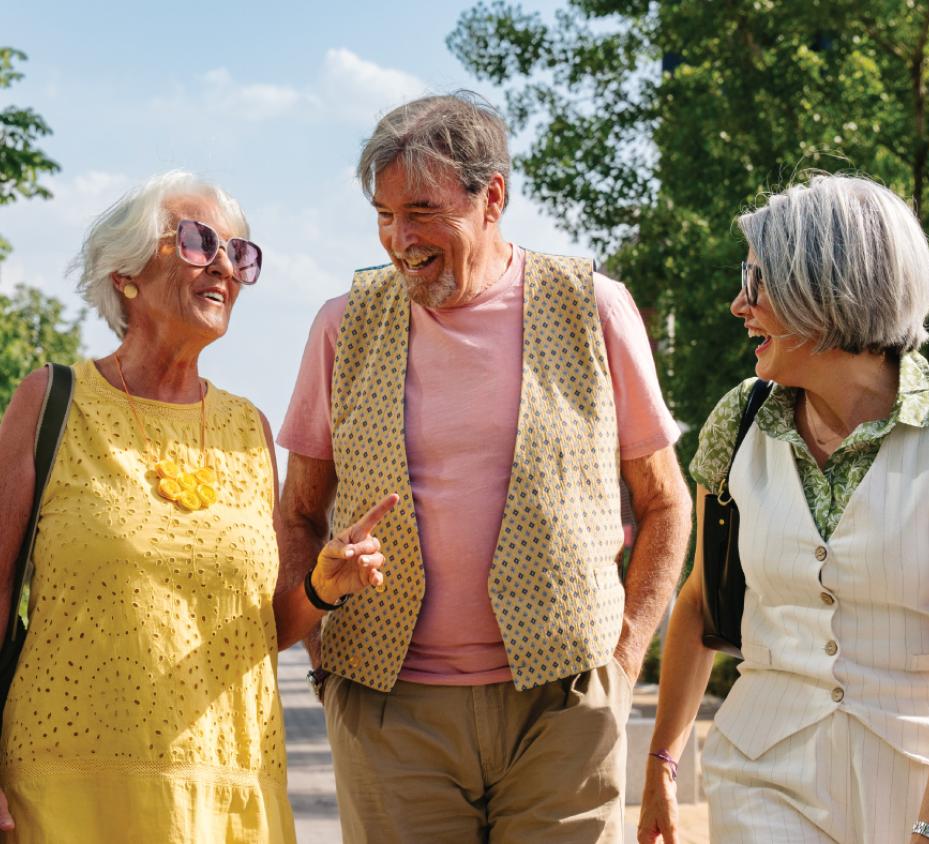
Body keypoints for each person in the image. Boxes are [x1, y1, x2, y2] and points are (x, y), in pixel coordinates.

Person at [276, 91, 691, 843]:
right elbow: (298, 510)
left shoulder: (594, 308)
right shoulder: (343, 326)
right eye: (384, 214)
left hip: (564, 710)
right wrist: (329, 661)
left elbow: (665, 501)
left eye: (423, 211)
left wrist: (625, 661)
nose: (400, 239)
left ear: (492, 196)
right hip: (390, 712)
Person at [0, 170, 394, 842]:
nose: (225, 266)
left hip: (228, 792)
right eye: (197, 241)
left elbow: (258, 631)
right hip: (66, 789)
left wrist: (323, 587)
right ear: (124, 273)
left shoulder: (248, 429)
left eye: (240, 254)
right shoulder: (51, 401)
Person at [638, 174, 929, 844]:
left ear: (826, 289)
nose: (737, 305)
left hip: (919, 785)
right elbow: (702, 601)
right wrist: (662, 760)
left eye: (756, 284)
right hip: (763, 779)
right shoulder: (739, 416)